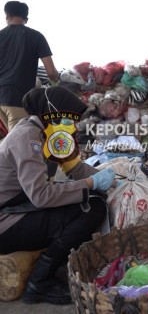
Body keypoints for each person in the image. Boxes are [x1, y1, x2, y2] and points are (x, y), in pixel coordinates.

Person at [0, 86, 117, 305]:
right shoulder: (27, 138)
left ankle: (59, 266)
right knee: (90, 208)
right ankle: (38, 282)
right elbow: (42, 196)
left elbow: (75, 168)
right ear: (51, 112)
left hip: (20, 209)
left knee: (93, 200)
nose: (72, 125)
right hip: (5, 221)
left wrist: (114, 180)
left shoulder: (49, 134)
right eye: (69, 118)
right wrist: (92, 183)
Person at [0, 1, 60, 132]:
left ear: (7, 16)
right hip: (17, 98)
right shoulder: (36, 36)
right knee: (21, 144)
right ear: (26, 19)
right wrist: (56, 79)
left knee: (14, 140)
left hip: (2, 99)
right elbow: (51, 72)